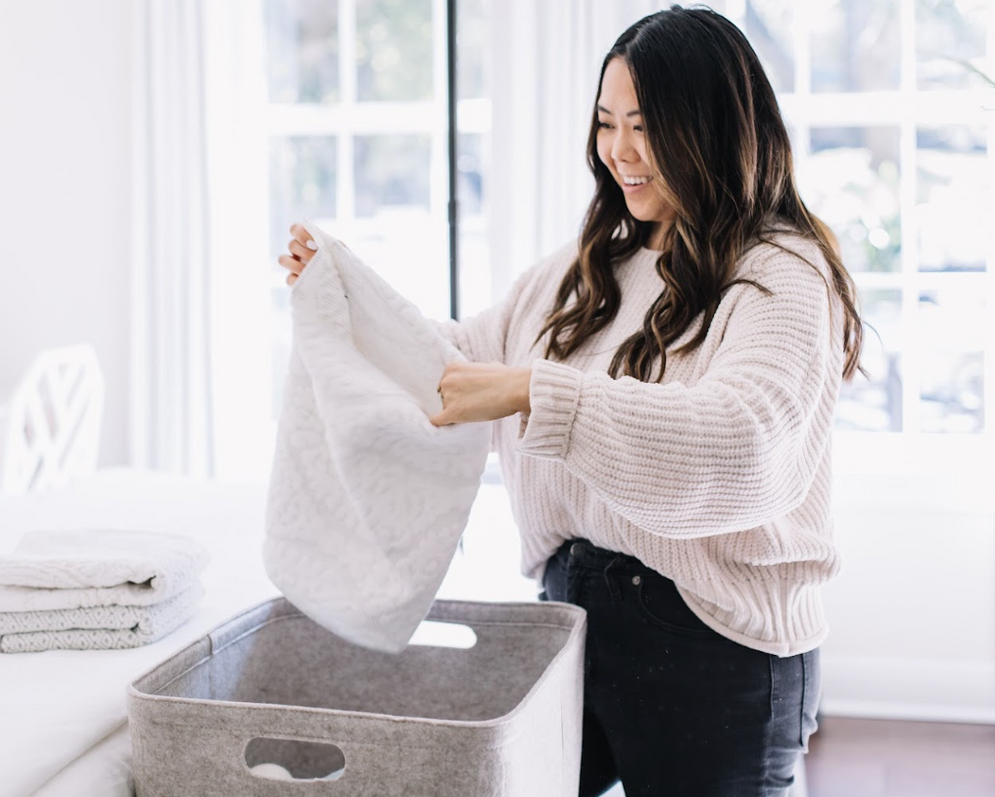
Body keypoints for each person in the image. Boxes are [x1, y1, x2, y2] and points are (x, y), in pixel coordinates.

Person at [279, 6, 863, 795]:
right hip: (572, 620)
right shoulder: (587, 266)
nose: (619, 151)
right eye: (605, 123)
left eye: (645, 125)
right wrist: (346, 300)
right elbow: (458, 364)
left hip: (719, 650)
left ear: (712, 127)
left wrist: (536, 393)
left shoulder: (783, 274)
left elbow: (743, 445)